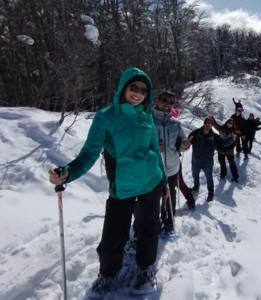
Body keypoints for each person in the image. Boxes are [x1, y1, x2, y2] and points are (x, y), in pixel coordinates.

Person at [48, 67, 166, 296]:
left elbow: (154, 149)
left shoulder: (147, 116)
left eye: (143, 90)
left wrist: (165, 184)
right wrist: (68, 173)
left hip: (152, 182)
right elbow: (89, 153)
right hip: (123, 188)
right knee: (113, 235)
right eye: (134, 87)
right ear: (124, 87)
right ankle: (107, 274)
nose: (138, 93)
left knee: (149, 229)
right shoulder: (106, 117)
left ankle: (145, 269)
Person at [153, 90, 192, 237]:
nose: (167, 104)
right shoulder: (148, 120)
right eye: (164, 100)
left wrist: (185, 145)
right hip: (153, 170)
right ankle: (153, 223)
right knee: (152, 199)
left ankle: (169, 221)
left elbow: (181, 143)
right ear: (156, 101)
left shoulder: (176, 124)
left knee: (171, 196)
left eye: (171, 102)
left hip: (172, 169)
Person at [188, 117, 219, 202]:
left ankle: (211, 193)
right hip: (196, 160)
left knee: (209, 178)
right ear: (204, 123)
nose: (208, 125)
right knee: (195, 175)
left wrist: (232, 140)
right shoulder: (196, 132)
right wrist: (188, 141)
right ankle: (196, 187)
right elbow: (189, 139)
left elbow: (222, 145)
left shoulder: (215, 137)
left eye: (210, 123)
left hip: (207, 163)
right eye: (206, 123)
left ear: (211, 125)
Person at [211, 117, 239, 182]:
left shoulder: (234, 132)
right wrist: (212, 118)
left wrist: (229, 146)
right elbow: (215, 125)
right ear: (227, 122)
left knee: (232, 163)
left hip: (229, 150)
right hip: (221, 149)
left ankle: (235, 176)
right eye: (229, 123)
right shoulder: (222, 128)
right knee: (222, 162)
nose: (229, 124)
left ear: (233, 125)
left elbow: (236, 142)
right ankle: (223, 173)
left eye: (231, 123)